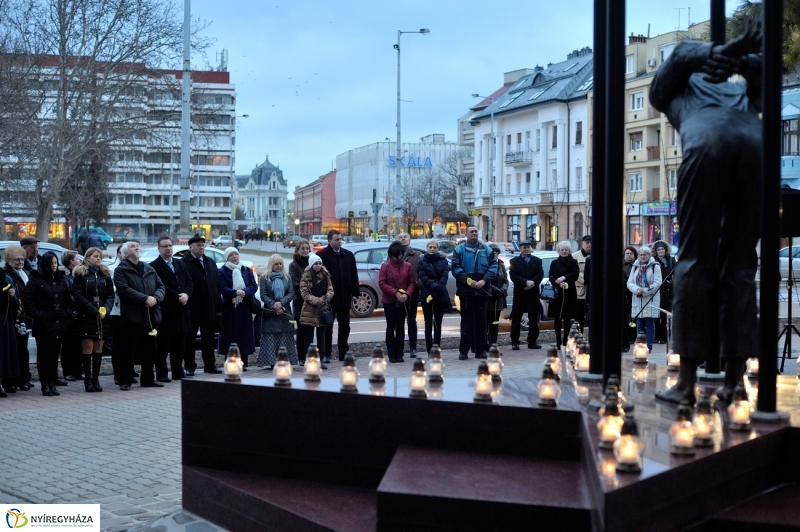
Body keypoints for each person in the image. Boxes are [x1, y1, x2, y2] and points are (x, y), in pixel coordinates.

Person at [651, 27, 762, 405]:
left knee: (695, 262)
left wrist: (720, 51)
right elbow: (763, 70)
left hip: (707, 147)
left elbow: (681, 53)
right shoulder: (744, 93)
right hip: (754, 147)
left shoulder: (676, 93)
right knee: (741, 264)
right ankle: (734, 381)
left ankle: (685, 382)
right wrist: (739, 56)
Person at [113, 241, 165, 390]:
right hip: (132, 317)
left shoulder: (149, 268)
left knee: (151, 349)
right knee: (129, 350)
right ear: (125, 253)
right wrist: (144, 298)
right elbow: (123, 290)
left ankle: (148, 379)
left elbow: (160, 286)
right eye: (132, 246)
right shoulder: (121, 270)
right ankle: (125, 380)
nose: (136, 247)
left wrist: (156, 298)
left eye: (137, 245)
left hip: (150, 316)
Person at [23, 252, 73, 397]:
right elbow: (29, 301)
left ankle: (52, 381)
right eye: (51, 264)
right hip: (44, 322)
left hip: (59, 321)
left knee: (54, 354)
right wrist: (39, 315)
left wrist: (67, 312)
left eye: (55, 263)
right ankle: (45, 384)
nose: (53, 266)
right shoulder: (35, 280)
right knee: (44, 354)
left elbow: (67, 299)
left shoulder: (60, 279)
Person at [71, 247, 115, 392]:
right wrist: (92, 310)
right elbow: (78, 295)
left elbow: (110, 295)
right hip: (87, 315)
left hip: (102, 315)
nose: (98, 259)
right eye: (96, 256)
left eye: (100, 256)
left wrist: (106, 309)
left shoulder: (104, 274)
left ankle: (96, 379)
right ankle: (88, 380)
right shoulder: (81, 274)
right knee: (88, 346)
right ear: (88, 257)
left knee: (98, 347)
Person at [150, 237, 193, 382]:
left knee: (179, 345)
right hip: (167, 311)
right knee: (163, 345)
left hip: (182, 310)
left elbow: (189, 281)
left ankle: (177, 371)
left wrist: (186, 294)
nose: (168, 248)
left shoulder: (179, 262)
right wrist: (177, 296)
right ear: (159, 248)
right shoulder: (154, 266)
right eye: (165, 246)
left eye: (170, 246)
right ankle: (162, 373)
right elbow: (159, 285)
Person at [451, 225, 497, 360]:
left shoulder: (486, 249)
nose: (474, 234)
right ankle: (464, 351)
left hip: (482, 290)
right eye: (471, 232)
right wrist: (469, 281)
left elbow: (493, 266)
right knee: (466, 322)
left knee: (481, 322)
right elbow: (455, 268)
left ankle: (480, 350)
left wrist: (483, 281)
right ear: (466, 234)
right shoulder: (459, 249)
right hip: (466, 291)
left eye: (476, 231)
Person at [316, 229, 359, 362]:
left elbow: (353, 275)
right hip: (328, 298)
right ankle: (326, 354)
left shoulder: (348, 255)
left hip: (344, 295)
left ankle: (343, 351)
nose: (340, 242)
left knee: (345, 326)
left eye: (341, 239)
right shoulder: (321, 255)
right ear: (330, 241)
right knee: (327, 325)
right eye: (336, 239)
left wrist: (355, 292)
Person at [182, 235, 222, 374]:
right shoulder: (184, 263)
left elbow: (216, 285)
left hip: (209, 307)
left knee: (209, 339)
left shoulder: (210, 262)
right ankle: (189, 366)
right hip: (192, 308)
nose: (201, 247)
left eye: (203, 245)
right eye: (198, 245)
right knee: (190, 340)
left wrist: (218, 306)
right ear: (191, 247)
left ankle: (210, 365)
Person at [218, 247, 257, 368]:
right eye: (231, 255)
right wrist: (235, 292)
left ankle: (243, 362)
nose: (234, 257)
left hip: (244, 308)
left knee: (243, 336)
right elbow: (222, 288)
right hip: (230, 309)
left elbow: (253, 286)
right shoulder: (222, 271)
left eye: (236, 254)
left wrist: (245, 292)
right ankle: (231, 361)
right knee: (230, 336)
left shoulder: (246, 269)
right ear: (227, 258)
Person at [258, 254, 299, 368]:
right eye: (276, 264)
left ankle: (284, 361)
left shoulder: (287, 277)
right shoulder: (264, 278)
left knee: (284, 336)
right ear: (271, 265)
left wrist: (281, 302)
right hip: (271, 313)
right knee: (271, 337)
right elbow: (263, 295)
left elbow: (291, 293)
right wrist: (273, 304)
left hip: (284, 311)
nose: (278, 266)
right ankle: (271, 362)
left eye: (280, 263)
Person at [379, 242, 415, 363]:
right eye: (395, 256)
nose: (397, 258)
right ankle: (391, 354)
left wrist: (407, 294)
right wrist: (396, 293)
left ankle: (399, 353)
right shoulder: (385, 267)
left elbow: (412, 282)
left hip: (403, 301)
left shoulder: (408, 266)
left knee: (400, 327)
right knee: (390, 327)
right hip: (389, 301)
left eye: (399, 255)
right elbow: (382, 283)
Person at [3, 246, 32, 391]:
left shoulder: (25, 272)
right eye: (17, 260)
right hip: (13, 317)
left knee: (23, 348)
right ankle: (17, 379)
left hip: (25, 316)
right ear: (8, 261)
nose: (20, 262)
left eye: (22, 259)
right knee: (16, 349)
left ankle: (24, 377)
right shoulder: (7, 275)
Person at [508, 240, 544, 350]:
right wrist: (525, 282)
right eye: (524, 247)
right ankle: (515, 342)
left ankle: (532, 341)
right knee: (516, 319)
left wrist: (532, 282)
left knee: (534, 320)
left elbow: (540, 274)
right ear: (520, 249)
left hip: (533, 293)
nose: (527, 249)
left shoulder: (537, 261)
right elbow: (513, 275)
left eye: (528, 247)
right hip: (520, 293)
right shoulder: (514, 261)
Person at [417, 240, 450, 355]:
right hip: (427, 294)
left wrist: (439, 287)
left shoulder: (443, 260)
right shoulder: (421, 261)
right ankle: (429, 349)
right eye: (430, 247)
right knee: (428, 323)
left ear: (437, 249)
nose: (432, 249)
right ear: (427, 248)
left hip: (440, 296)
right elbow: (422, 276)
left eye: (434, 247)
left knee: (438, 323)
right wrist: (434, 286)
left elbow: (445, 275)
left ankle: (437, 347)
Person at [299, 254, 333, 363]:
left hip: (323, 309)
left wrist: (325, 298)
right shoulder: (306, 277)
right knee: (308, 335)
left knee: (321, 335)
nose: (318, 266)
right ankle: (307, 358)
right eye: (315, 264)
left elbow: (330, 290)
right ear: (311, 264)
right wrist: (317, 300)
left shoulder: (325, 275)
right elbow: (305, 294)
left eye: (319, 263)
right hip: (309, 310)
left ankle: (322, 358)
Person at [627, 247, 662, 352]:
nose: (642, 256)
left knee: (650, 323)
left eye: (645, 254)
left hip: (650, 299)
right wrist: (637, 289)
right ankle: (640, 345)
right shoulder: (635, 266)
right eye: (641, 255)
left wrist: (645, 290)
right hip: (638, 298)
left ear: (649, 255)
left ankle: (649, 346)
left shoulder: (655, 266)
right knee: (639, 323)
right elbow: (629, 282)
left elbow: (657, 283)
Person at [547, 241, 580, 347]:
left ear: (569, 250)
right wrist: (556, 281)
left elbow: (575, 275)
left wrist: (564, 278)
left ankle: (566, 340)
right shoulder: (554, 263)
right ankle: (557, 340)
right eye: (562, 249)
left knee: (567, 318)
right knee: (557, 318)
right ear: (559, 251)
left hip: (569, 293)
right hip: (557, 293)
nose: (564, 251)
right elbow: (550, 275)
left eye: (566, 249)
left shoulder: (573, 262)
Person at [60, 250, 83, 382]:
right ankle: (68, 371)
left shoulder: (77, 276)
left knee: (79, 344)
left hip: (78, 314)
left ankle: (78, 370)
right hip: (69, 315)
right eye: (77, 259)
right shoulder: (65, 278)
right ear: (71, 261)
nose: (79, 261)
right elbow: (70, 296)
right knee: (68, 344)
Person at [397, 233, 421, 357]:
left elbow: (421, 272)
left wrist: (418, 285)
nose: (403, 239)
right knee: (399, 322)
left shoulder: (417, 255)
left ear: (410, 240)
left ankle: (413, 348)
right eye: (400, 238)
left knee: (412, 321)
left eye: (405, 237)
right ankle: (399, 348)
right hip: (398, 295)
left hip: (412, 294)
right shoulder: (394, 254)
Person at [288, 239, 311, 364]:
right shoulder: (293, 265)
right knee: (301, 329)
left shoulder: (312, 263)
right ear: (297, 250)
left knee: (310, 330)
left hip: (311, 301)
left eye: (307, 248)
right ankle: (301, 357)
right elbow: (295, 283)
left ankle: (310, 355)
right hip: (299, 300)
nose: (305, 251)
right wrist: (308, 288)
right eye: (303, 248)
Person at [651, 241, 676, 344]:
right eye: (659, 249)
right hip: (657, 291)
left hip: (669, 291)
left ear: (666, 250)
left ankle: (664, 337)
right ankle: (656, 337)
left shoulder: (671, 260)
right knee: (657, 316)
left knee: (666, 316)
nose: (661, 251)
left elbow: (675, 273)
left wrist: (671, 282)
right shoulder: (653, 261)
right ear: (656, 251)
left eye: (662, 249)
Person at [485, 243, 509, 351]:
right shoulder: (485, 264)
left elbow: (505, 280)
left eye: (496, 252)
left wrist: (503, 289)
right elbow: (486, 280)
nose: (495, 253)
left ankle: (493, 344)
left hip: (498, 300)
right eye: (492, 252)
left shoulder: (501, 265)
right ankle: (484, 345)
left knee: (495, 323)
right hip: (488, 298)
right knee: (486, 324)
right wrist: (496, 290)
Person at [0, 267, 19, 397]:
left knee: (5, 352)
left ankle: (7, 381)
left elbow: (16, 302)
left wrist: (13, 295)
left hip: (5, 321)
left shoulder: (5, 277)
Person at [572, 235, 591, 333]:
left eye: (591, 243)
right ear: (582, 243)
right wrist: (587, 279)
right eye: (587, 243)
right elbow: (574, 272)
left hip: (592, 292)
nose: (589, 245)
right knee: (578, 317)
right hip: (579, 292)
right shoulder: (575, 256)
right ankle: (578, 338)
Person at [622, 246, 638, 351]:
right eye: (627, 253)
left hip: (627, 297)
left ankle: (626, 343)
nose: (629, 255)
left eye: (630, 253)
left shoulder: (636, 266)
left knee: (626, 321)